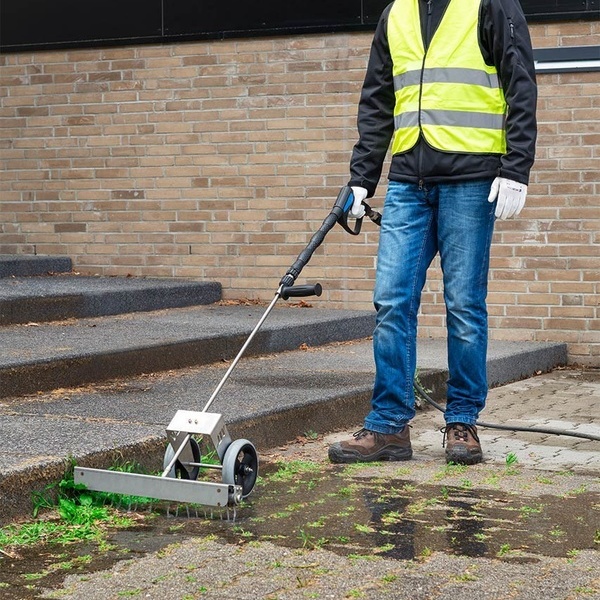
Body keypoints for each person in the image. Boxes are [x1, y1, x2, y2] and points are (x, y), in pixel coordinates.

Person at [328, 0, 537, 465]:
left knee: (463, 304)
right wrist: (362, 177)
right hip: (407, 183)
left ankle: (462, 421)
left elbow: (520, 82)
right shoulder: (395, 13)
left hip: (471, 179)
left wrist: (517, 166)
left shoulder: (490, 4)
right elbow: (378, 99)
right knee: (391, 300)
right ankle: (389, 427)